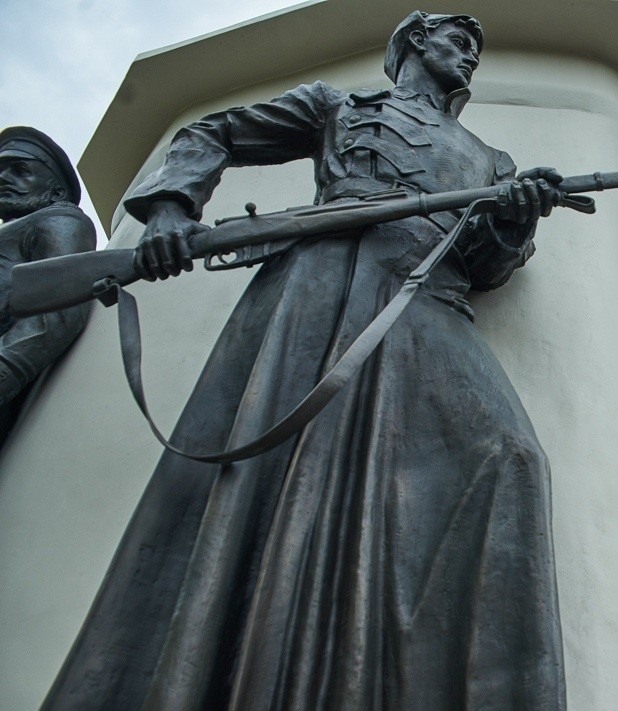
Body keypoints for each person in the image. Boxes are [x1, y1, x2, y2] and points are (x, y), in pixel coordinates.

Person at [44, 12, 566, 710]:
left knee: (511, 453)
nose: (470, 57)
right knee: (272, 477)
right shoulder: (338, 106)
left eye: (475, 49)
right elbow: (212, 133)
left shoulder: (490, 159)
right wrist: (171, 211)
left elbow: (485, 265)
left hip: (424, 301)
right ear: (415, 42)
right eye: (457, 41)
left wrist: (515, 215)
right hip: (318, 289)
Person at [0, 127, 95, 446]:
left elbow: (59, 307)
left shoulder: (60, 219)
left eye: (20, 170)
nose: (3, 177)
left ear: (56, 193)